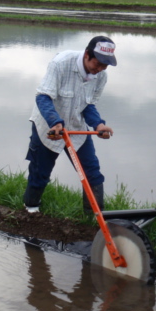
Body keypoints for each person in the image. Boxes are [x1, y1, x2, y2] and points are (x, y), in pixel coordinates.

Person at [23, 35, 117, 214]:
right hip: (48, 127)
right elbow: (43, 96)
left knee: (92, 173)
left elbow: (88, 105)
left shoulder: (101, 76)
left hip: (76, 127)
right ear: (87, 55)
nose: (100, 69)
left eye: (105, 65)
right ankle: (31, 210)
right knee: (40, 172)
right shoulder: (60, 64)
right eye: (98, 64)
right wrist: (55, 122)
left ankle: (94, 218)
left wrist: (98, 125)